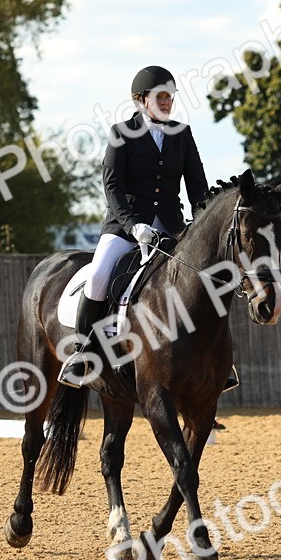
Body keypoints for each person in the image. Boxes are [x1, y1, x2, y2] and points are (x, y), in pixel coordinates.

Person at [59, 65, 209, 386]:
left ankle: (210, 357)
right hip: (126, 227)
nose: (168, 102)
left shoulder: (182, 134)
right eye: (161, 96)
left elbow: (197, 186)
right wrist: (133, 225)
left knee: (198, 278)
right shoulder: (121, 132)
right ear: (141, 99)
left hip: (170, 227)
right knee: (99, 275)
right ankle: (83, 354)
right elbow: (112, 186)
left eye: (170, 97)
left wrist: (202, 221)